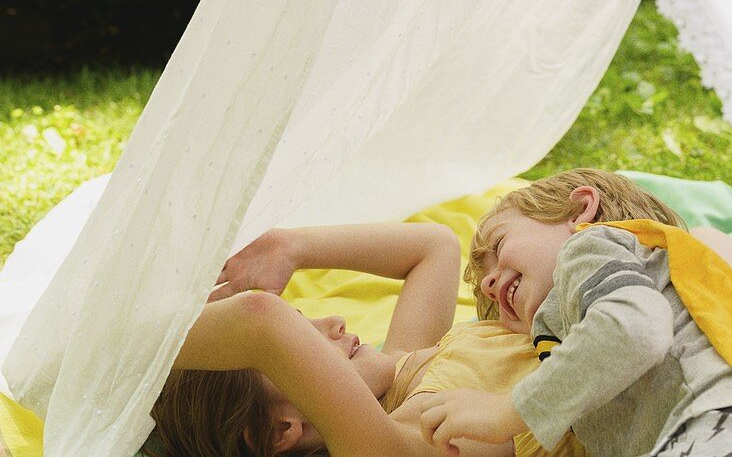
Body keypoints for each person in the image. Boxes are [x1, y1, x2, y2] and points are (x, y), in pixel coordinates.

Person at [142, 172, 696, 457]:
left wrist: (291, 247)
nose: (331, 322)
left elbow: (433, 247)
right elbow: (261, 323)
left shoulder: (406, 365)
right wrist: (134, 352)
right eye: (309, 347)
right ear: (283, 430)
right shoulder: (408, 431)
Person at [418, 169, 732, 457]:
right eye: (488, 295)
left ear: (581, 209)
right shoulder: (562, 340)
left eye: (499, 246)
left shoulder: (589, 245)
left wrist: (506, 411)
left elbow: (635, 329)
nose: (488, 283)